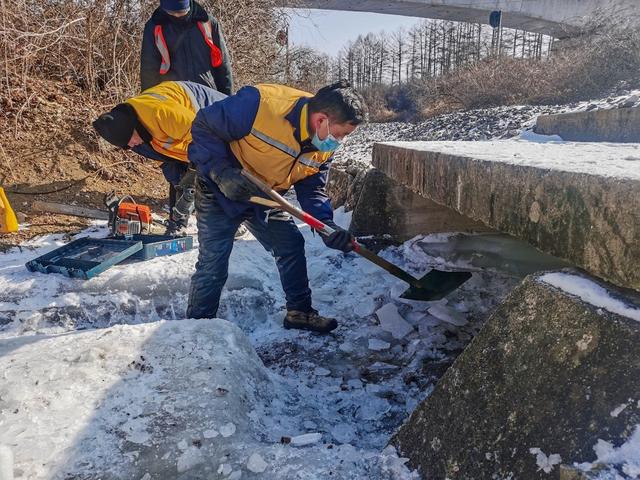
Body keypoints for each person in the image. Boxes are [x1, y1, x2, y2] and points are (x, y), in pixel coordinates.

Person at [187, 80, 368, 333]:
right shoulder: (260, 104)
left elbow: (312, 188)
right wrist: (221, 172)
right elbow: (204, 125)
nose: (339, 141)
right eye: (341, 134)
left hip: (267, 195)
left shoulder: (323, 146)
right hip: (220, 190)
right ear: (321, 121)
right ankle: (197, 330)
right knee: (213, 263)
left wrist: (327, 226)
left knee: (290, 245)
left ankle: (300, 313)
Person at [92, 80, 226, 233]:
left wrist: (195, 172)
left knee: (220, 174)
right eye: (127, 145)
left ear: (131, 129)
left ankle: (232, 223)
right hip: (191, 137)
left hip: (220, 117)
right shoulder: (137, 141)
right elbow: (168, 164)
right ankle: (179, 224)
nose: (131, 146)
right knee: (186, 182)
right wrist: (180, 200)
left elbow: (207, 139)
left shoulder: (160, 113)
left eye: (130, 141)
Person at [140, 0, 233, 95]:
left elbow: (223, 66)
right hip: (174, 99)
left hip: (208, 96)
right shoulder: (154, 27)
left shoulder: (207, 23)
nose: (177, 15)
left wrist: (228, 102)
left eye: (182, 12)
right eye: (172, 13)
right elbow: (149, 72)